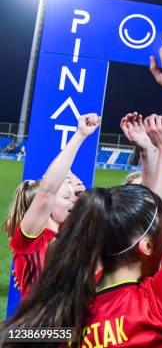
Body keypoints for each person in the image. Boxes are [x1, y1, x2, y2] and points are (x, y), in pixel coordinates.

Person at [1, 44, 162, 348]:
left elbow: (17, 335)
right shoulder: (150, 307)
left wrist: (155, 151)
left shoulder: (69, 314)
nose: (70, 189)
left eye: (74, 187)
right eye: (65, 188)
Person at [7, 114, 99, 297]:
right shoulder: (31, 240)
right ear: (45, 207)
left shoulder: (77, 238)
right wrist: (80, 135)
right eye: (67, 196)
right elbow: (48, 190)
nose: (75, 200)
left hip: (71, 326)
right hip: (40, 326)